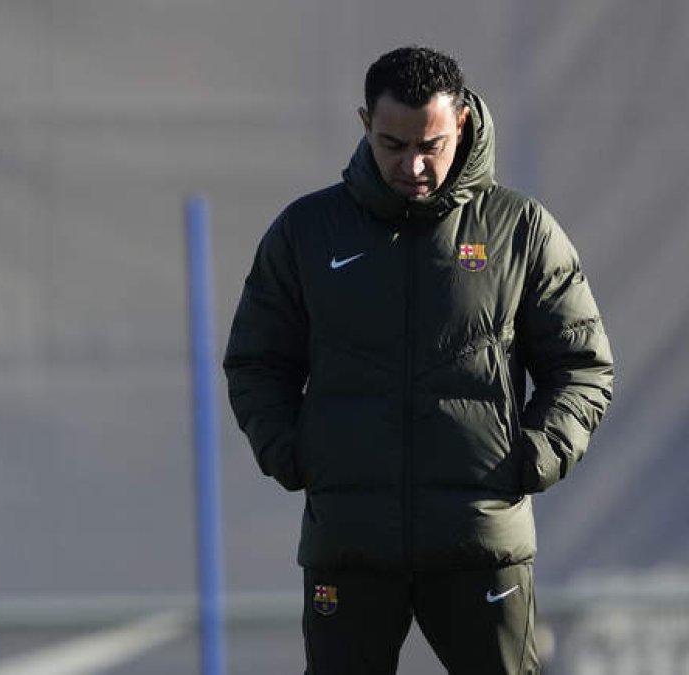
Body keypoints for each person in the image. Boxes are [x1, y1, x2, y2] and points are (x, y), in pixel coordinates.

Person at [223, 46, 613, 674]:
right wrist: (291, 452)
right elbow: (255, 362)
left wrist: (533, 456)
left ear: (460, 122)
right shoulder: (307, 230)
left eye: (431, 144)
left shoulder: (521, 230)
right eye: (392, 144)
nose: (413, 165)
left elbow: (583, 365)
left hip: (482, 544)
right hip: (350, 543)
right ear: (363, 124)